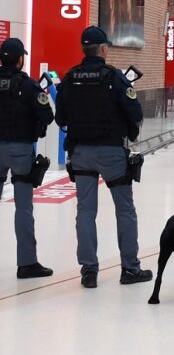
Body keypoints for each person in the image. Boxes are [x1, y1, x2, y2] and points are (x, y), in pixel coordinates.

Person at [55, 26, 152, 289]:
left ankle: (89, 270)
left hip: (81, 153)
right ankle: (130, 268)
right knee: (125, 209)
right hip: (111, 153)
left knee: (85, 210)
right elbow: (134, 112)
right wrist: (130, 133)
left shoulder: (70, 78)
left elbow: (60, 118)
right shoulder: (115, 78)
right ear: (103, 49)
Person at [0, 37, 55, 279]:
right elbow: (48, 115)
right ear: (20, 59)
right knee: (23, 208)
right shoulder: (29, 86)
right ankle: (27, 263)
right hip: (20, 150)